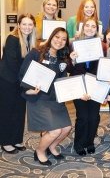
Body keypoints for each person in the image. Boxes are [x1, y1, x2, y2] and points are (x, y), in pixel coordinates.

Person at [19, 27, 72, 166]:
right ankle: (40, 151)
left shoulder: (62, 58)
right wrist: (29, 90)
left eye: (63, 39)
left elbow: (62, 80)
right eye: (57, 37)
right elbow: (22, 74)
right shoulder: (36, 53)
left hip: (55, 98)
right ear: (51, 36)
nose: (59, 41)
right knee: (55, 131)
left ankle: (51, 147)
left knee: (66, 128)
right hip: (39, 99)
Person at [0, 13, 37, 154]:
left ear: (33, 26)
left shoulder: (29, 40)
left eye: (30, 24)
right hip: (8, 82)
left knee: (19, 111)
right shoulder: (12, 39)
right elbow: (13, 64)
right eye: (24, 24)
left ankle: (16, 139)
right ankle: (5, 141)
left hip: (20, 82)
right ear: (19, 25)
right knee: (7, 111)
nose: (27, 27)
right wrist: (26, 81)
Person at [69, 18, 106, 156]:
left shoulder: (102, 46)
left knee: (94, 117)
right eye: (87, 26)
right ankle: (78, 143)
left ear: (97, 29)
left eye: (93, 26)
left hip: (95, 85)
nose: (90, 28)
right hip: (79, 85)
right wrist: (72, 60)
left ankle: (89, 142)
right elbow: (67, 67)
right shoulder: (73, 45)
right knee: (83, 117)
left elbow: (105, 66)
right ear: (83, 28)